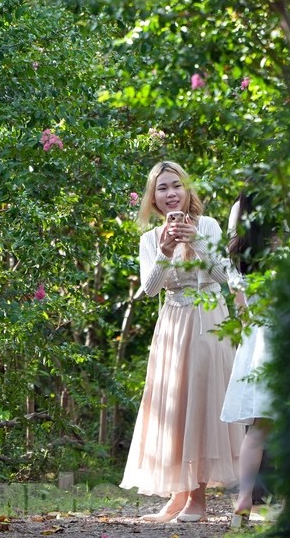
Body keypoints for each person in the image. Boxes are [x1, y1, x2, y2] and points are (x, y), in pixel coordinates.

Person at [120, 160, 245, 523]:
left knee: (202, 403)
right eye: (162, 188)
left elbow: (225, 275)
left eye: (176, 185)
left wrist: (197, 244)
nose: (171, 193)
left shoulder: (207, 226)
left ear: (187, 190)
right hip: (172, 324)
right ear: (154, 199)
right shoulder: (149, 239)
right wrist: (165, 249)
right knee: (174, 407)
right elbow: (149, 288)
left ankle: (198, 500)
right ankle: (178, 496)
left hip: (208, 319)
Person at [220, 190, 278, 528]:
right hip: (285, 335)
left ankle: (243, 501)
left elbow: (240, 305)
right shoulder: (285, 249)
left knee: (258, 429)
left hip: (258, 338)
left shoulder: (240, 255)